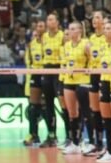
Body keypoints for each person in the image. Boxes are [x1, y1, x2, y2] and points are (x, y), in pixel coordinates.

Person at [61, 21, 92, 154]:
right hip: (69, 80)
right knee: (72, 113)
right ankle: (75, 142)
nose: (70, 31)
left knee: (85, 112)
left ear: (80, 30)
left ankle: (87, 141)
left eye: (73, 29)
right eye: (69, 29)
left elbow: (92, 62)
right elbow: (65, 62)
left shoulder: (86, 44)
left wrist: (87, 73)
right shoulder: (66, 45)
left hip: (83, 81)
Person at [38, 13, 65, 148]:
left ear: (57, 22)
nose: (49, 22)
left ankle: (71, 136)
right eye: (47, 19)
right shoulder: (44, 37)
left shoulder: (62, 36)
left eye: (52, 19)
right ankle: (51, 135)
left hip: (58, 70)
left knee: (63, 104)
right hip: (47, 70)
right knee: (47, 104)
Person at [96, 20, 111, 163]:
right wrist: (100, 86)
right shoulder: (103, 47)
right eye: (105, 28)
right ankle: (110, 149)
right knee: (107, 119)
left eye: (110, 28)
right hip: (105, 82)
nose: (107, 31)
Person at [85, 11, 108, 156]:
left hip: (104, 76)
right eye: (93, 17)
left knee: (106, 111)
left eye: (98, 17)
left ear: (104, 21)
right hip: (93, 75)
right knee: (95, 110)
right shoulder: (92, 38)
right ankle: (97, 143)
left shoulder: (107, 37)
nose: (95, 20)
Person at [24, 20, 47, 146]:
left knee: (45, 106)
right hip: (33, 78)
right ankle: (33, 134)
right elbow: (29, 63)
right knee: (32, 108)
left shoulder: (48, 43)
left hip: (46, 76)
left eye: (41, 27)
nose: (38, 30)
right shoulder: (31, 46)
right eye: (37, 27)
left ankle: (51, 135)